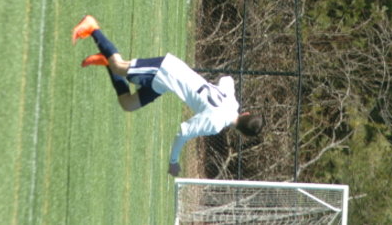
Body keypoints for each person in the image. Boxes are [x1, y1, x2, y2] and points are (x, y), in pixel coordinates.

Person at [72, 15, 264, 176]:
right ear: (242, 135)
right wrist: (173, 161)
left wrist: (225, 95)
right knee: (119, 66)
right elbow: (183, 132)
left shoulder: (232, 103)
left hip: (166, 82)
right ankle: (92, 27)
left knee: (128, 103)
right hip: (167, 72)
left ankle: (106, 61)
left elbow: (227, 79)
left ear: (246, 114)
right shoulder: (215, 124)